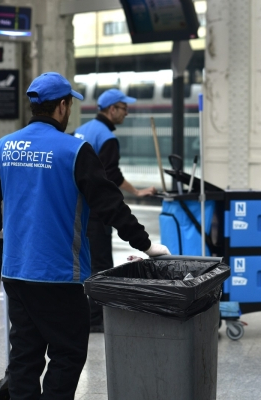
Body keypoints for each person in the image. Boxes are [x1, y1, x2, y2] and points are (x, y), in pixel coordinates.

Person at [0, 72, 170, 400]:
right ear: (62, 107)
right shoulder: (75, 151)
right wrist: (146, 244)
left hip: (16, 273)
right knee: (68, 352)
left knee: (24, 354)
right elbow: (110, 205)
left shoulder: (3, 147)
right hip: (59, 275)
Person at [73, 88, 157, 332]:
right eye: (124, 108)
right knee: (101, 263)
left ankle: (85, 314)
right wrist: (137, 191)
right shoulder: (107, 137)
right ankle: (96, 318)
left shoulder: (82, 130)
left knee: (83, 261)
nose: (126, 113)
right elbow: (111, 176)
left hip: (78, 208)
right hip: (97, 211)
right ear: (112, 109)